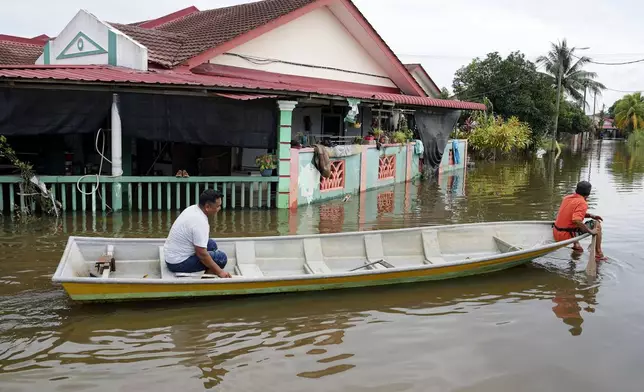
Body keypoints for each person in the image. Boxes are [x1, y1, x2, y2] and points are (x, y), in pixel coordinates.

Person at [163, 189, 232, 278]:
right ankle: (206, 280)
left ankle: (208, 274)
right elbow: (201, 254)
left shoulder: (193, 208)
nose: (219, 209)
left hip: (171, 256)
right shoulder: (200, 222)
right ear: (207, 206)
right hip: (177, 263)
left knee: (211, 244)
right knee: (221, 258)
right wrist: (220, 272)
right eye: (218, 206)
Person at [552, 181, 606, 261]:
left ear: (576, 190)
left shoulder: (567, 198)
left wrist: (591, 215)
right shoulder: (582, 203)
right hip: (565, 236)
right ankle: (598, 253)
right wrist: (591, 231)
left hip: (556, 232)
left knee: (574, 224)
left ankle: (576, 246)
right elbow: (577, 220)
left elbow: (571, 213)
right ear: (588, 194)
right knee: (596, 224)